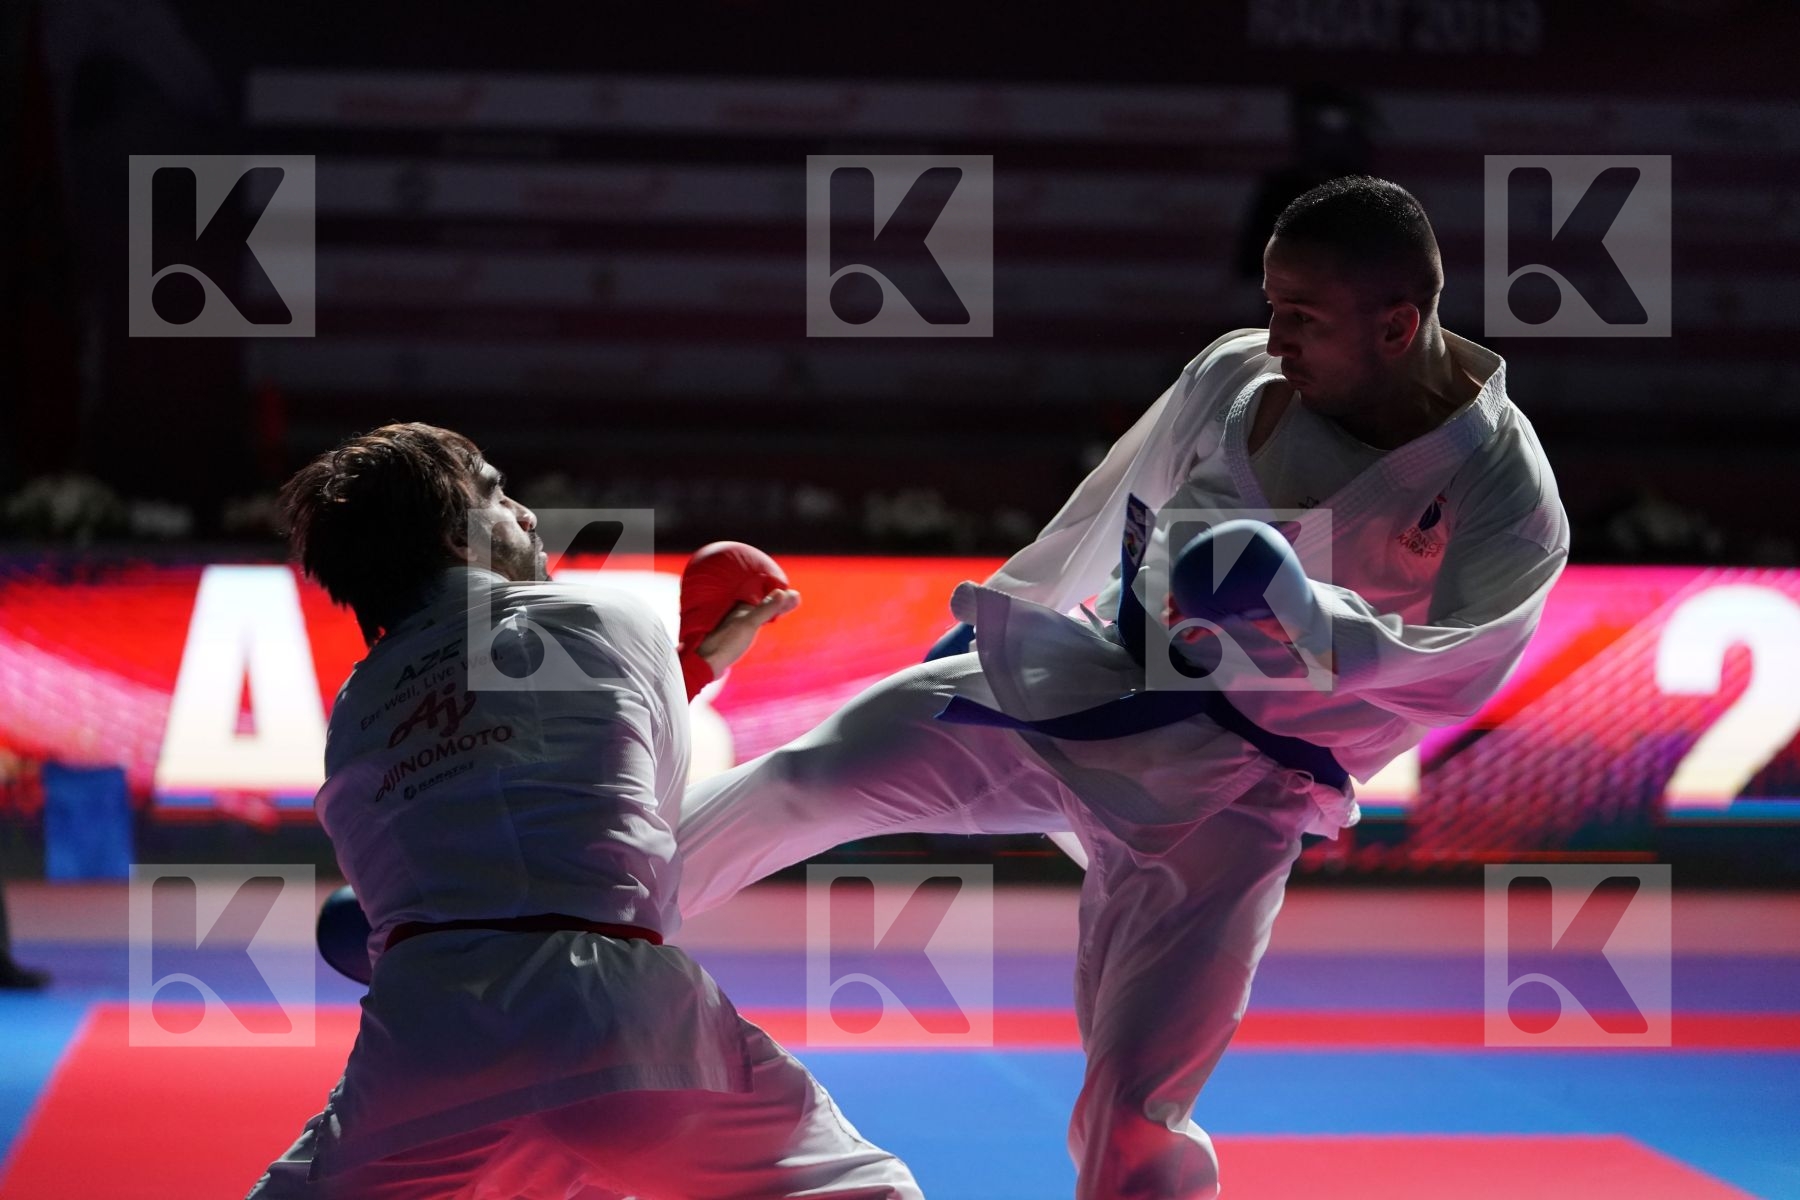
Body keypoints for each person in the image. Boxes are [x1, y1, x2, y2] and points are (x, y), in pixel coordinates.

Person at [674, 176, 1570, 1199]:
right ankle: (584, 906)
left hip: (1236, 798)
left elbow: (1463, 663)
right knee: (817, 770)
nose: (1273, 335)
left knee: (1134, 1108)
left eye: (1302, 318)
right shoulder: (1235, 374)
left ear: (1399, 324)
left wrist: (1304, 618)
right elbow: (1112, 501)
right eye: (1271, 304)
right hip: (1082, 683)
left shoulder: (1496, 483)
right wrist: (1004, 613)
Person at [247, 422, 921, 1199]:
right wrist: (686, 668)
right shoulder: (607, 617)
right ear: (451, 531)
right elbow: (648, 838)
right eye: (498, 493)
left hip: (423, 1040)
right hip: (614, 1023)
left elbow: (488, 771)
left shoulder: (355, 706)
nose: (530, 515)